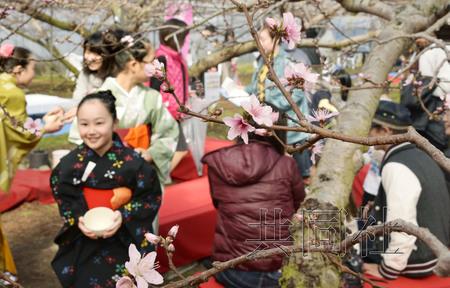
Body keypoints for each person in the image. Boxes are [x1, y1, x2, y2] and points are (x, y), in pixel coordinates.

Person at [51, 91, 162, 288]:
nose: (91, 131)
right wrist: (78, 218)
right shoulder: (69, 164)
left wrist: (124, 214)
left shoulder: (134, 163)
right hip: (85, 236)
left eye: (99, 123)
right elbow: (64, 195)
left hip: (125, 238)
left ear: (114, 122)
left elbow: (150, 197)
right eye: (84, 124)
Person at [202, 118, 305, 288]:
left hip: (232, 269)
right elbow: (298, 204)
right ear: (278, 132)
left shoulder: (220, 162)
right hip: (276, 269)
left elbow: (217, 203)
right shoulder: (286, 164)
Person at [69, 29, 179, 184]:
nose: (156, 66)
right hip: (106, 172)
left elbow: (169, 132)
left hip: (142, 170)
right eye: (151, 62)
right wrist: (110, 154)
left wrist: (151, 153)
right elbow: (77, 135)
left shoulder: (152, 97)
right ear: (134, 65)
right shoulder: (98, 97)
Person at [362, 100, 450, 279]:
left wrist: (388, 269)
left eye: (372, 127)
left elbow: (402, 224)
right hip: (435, 249)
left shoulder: (396, 166)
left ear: (386, 131)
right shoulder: (418, 154)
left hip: (418, 261)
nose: (368, 133)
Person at [0, 43, 64, 280]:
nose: (34, 74)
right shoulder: (12, 92)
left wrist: (42, 121)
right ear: (18, 69)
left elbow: (14, 124)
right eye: (32, 68)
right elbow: (21, 132)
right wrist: (46, 128)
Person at [245, 22, 311, 180]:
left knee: (301, 176)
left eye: (262, 39)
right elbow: (257, 87)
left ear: (275, 40)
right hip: (269, 125)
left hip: (292, 130)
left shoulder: (287, 63)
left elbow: (296, 94)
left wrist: (271, 104)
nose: (258, 43)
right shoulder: (262, 62)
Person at [149, 18, 189, 171]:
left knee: (169, 149)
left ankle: (158, 178)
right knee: (179, 149)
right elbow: (154, 88)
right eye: (182, 38)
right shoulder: (162, 58)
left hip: (175, 111)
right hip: (165, 113)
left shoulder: (177, 58)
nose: (184, 41)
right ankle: (158, 178)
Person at [67, 30, 121, 136]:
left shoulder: (119, 77)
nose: (90, 58)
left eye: (96, 53)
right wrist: (63, 109)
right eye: (87, 52)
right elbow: (77, 99)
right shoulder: (85, 74)